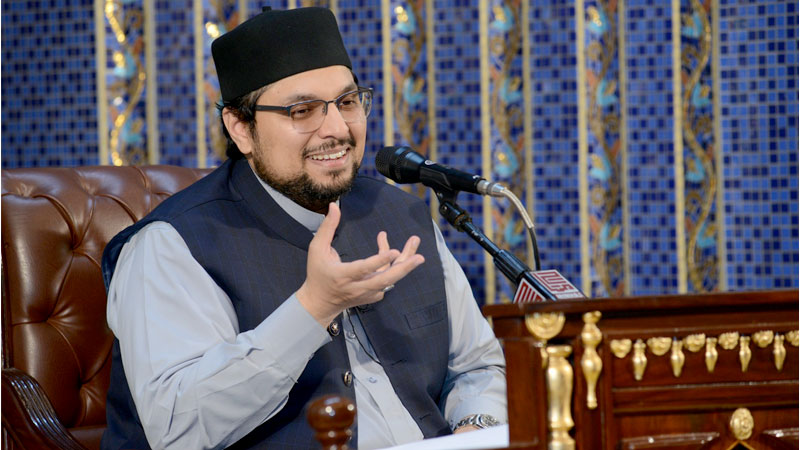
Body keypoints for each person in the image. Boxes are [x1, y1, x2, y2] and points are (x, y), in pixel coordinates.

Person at [101, 6, 506, 450]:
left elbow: (477, 365)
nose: (336, 129)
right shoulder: (172, 245)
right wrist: (313, 308)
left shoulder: (401, 214)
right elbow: (177, 429)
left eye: (348, 102)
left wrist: (476, 426)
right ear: (241, 129)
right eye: (302, 110)